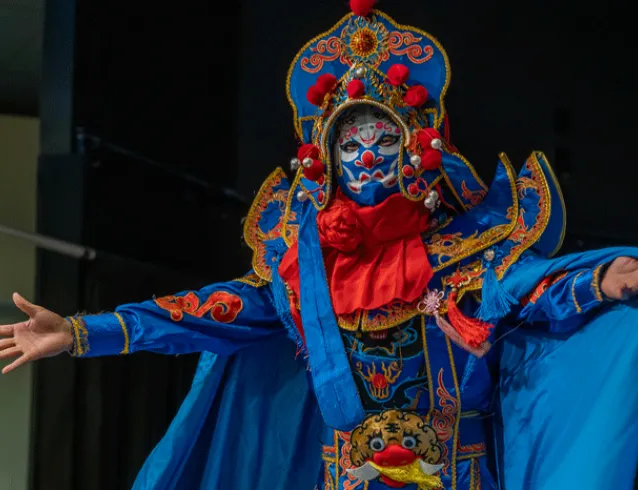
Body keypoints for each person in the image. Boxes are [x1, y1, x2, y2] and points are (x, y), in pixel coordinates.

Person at [2, 3, 638, 489]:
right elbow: (206, 311)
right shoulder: (300, 267)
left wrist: (608, 276)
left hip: (456, 473)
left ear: (415, 148)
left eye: (382, 141)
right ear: (325, 157)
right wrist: (84, 332)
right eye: (349, 144)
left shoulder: (469, 249)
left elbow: (535, 289)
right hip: (346, 476)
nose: (366, 157)